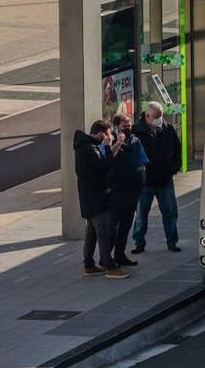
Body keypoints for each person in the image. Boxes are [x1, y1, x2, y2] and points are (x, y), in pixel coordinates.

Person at [73, 120, 129, 278]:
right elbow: (105, 165)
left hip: (89, 197)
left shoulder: (85, 146)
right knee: (103, 233)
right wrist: (110, 146)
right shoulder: (89, 148)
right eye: (109, 133)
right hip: (97, 198)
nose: (110, 136)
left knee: (91, 233)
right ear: (102, 134)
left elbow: (101, 163)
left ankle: (89, 264)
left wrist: (114, 146)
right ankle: (109, 266)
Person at [132, 102, 183, 253]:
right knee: (141, 214)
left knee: (171, 212)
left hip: (165, 179)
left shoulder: (168, 129)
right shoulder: (137, 131)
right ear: (147, 116)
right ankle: (138, 242)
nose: (160, 119)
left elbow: (177, 149)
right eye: (156, 116)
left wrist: (173, 169)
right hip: (145, 182)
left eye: (161, 116)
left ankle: (172, 241)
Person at [107, 113, 148, 266]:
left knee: (125, 226)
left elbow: (144, 162)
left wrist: (142, 181)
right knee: (112, 228)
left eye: (129, 124)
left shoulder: (136, 141)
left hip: (133, 191)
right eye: (125, 124)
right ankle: (106, 258)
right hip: (117, 191)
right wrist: (117, 143)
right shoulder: (110, 141)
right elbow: (107, 158)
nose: (128, 126)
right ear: (117, 127)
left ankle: (119, 255)